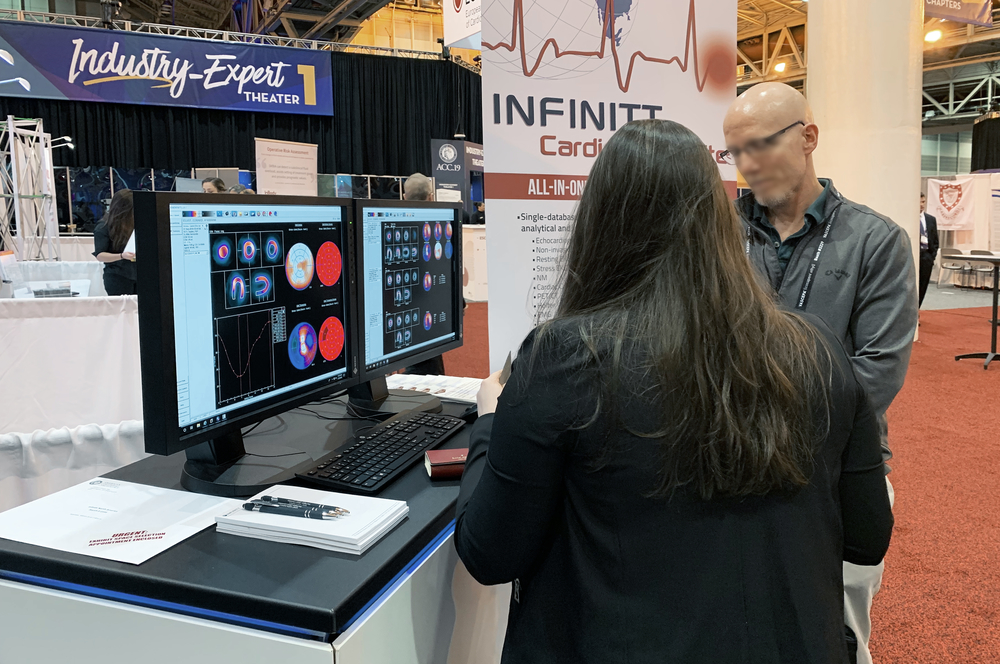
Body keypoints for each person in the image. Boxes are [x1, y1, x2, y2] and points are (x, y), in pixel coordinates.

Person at [454, 119, 893, 664]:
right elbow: (866, 538)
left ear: (599, 223)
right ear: (719, 220)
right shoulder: (817, 347)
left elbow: (489, 553)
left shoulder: (565, 356)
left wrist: (489, 420)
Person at [723, 82, 917, 664]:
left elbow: (878, 371)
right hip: (731, 463)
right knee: (739, 625)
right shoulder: (719, 233)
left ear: (808, 138)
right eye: (736, 152)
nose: (747, 164)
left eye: (760, 145)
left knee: (839, 630)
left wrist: (772, 419)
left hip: (838, 468)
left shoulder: (876, 241)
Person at [402, 173, 446, 375]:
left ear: (404, 196)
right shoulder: (438, 225)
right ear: (430, 197)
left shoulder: (393, 223)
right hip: (429, 301)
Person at [92, 189, 137, 295]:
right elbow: (100, 255)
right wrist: (121, 256)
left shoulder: (136, 223)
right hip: (117, 276)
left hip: (140, 275)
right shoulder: (103, 227)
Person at [919, 192, 939, 307]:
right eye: (919, 202)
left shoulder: (931, 219)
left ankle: (918, 308)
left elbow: (935, 240)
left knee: (923, 284)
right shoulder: (910, 218)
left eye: (923, 202)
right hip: (915, 254)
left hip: (927, 255)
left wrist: (932, 256)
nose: (922, 205)